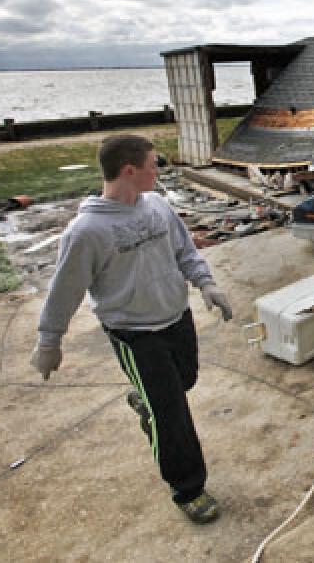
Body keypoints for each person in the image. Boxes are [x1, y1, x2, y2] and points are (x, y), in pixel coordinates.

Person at [30, 133, 233, 524]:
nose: (159, 170)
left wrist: (206, 283)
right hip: (135, 334)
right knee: (171, 415)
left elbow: (184, 250)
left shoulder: (156, 205)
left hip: (177, 317)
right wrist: (49, 341)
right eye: (154, 164)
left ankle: (145, 399)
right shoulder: (86, 232)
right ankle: (188, 488)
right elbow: (64, 291)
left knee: (185, 380)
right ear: (130, 170)